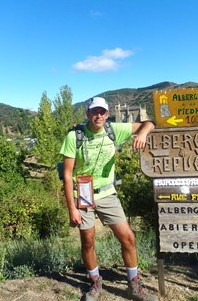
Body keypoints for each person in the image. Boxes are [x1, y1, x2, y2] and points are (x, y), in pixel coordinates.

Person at [60, 97, 158, 301]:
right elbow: (68, 175)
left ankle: (134, 284)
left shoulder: (114, 130)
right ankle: (95, 282)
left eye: (102, 112)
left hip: (107, 193)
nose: (98, 116)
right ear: (87, 114)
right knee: (87, 241)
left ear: (107, 114)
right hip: (83, 195)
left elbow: (151, 123)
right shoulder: (74, 136)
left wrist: (142, 133)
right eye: (94, 112)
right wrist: (72, 208)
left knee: (128, 237)